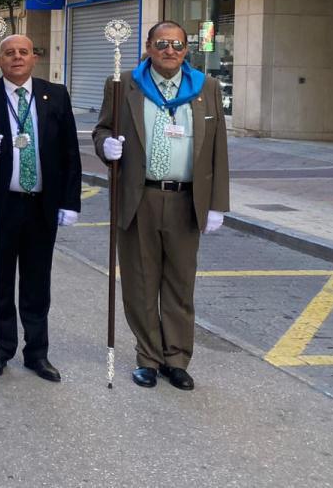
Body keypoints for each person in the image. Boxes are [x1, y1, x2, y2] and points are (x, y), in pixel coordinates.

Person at [93, 20, 229, 391]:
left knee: (180, 284)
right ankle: (148, 358)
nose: (170, 50)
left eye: (178, 44)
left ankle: (177, 358)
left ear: (187, 50)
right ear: (150, 47)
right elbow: (102, 128)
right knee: (140, 281)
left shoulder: (207, 88)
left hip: (187, 198)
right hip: (140, 196)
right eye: (162, 43)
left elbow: (218, 148)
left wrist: (217, 203)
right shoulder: (124, 85)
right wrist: (107, 147)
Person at [0, 34, 81, 382]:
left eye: (23, 52)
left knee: (37, 283)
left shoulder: (54, 95)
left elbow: (70, 152)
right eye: (9, 53)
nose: (16, 57)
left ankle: (37, 353)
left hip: (41, 205)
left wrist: (71, 202)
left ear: (34, 57)